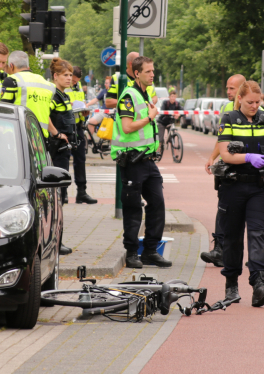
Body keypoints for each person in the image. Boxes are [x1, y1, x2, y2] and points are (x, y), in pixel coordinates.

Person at [217, 81, 264, 307]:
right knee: (233, 237)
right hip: (234, 185)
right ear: (239, 100)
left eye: (258, 102)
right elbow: (225, 155)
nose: (255, 106)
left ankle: (259, 284)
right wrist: (248, 157)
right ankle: (231, 287)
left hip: (260, 187)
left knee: (259, 234)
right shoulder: (229, 119)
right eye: (250, 102)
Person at [111, 56, 171, 269]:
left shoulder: (146, 95)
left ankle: (151, 251)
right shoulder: (129, 95)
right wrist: (150, 117)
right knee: (133, 207)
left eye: (153, 71)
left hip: (147, 160)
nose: (152, 74)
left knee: (157, 203)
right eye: (148, 71)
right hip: (133, 161)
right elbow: (127, 127)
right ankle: (131, 252)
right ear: (137, 73)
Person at [201, 74, 246, 266]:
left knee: (252, 212)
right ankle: (219, 249)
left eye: (232, 89)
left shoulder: (255, 109)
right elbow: (222, 138)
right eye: (227, 88)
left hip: (248, 167)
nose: (228, 92)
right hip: (229, 166)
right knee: (223, 207)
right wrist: (213, 157)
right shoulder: (227, 108)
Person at [1, 51, 55, 137]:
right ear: (27, 66)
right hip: (41, 139)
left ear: (11, 66)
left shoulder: (12, 81)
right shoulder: (46, 84)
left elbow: (3, 110)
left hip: (19, 136)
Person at [47, 59, 77, 205]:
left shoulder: (64, 95)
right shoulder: (54, 95)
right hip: (57, 147)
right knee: (59, 184)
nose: (69, 78)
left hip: (64, 147)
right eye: (65, 75)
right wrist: (56, 133)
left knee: (63, 183)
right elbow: (44, 114)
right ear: (55, 76)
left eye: (70, 75)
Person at [67, 67, 97, 204]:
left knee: (81, 160)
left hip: (78, 126)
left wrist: (84, 110)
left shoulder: (78, 86)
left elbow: (81, 102)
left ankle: (81, 192)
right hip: (66, 127)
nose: (74, 83)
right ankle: (63, 193)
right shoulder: (63, 83)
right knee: (63, 160)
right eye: (72, 80)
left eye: (76, 81)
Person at [157, 90, 182, 155]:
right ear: (169, 97)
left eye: (174, 97)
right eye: (172, 96)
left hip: (170, 122)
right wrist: (172, 114)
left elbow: (182, 110)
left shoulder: (177, 104)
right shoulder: (165, 103)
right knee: (161, 139)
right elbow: (163, 111)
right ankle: (157, 152)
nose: (173, 98)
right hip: (162, 122)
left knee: (172, 139)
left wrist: (179, 114)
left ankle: (174, 154)